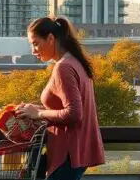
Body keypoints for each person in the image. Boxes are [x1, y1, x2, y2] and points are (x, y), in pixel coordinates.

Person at [17, 16, 104, 180]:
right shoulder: (75, 62)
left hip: (67, 153)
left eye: (35, 43)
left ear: (50, 38)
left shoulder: (63, 67)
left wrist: (39, 114)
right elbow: (67, 108)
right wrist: (34, 110)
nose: (33, 50)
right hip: (75, 152)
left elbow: (74, 114)